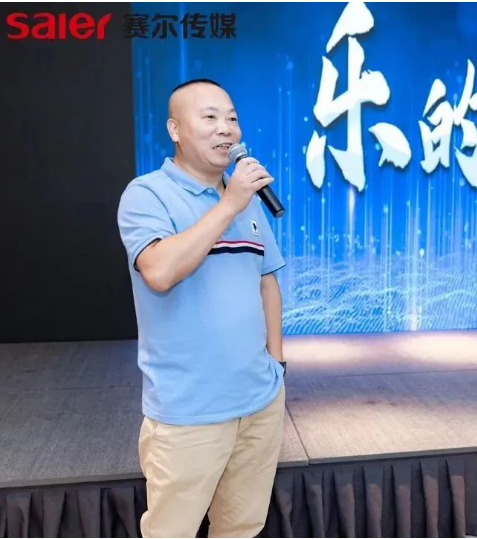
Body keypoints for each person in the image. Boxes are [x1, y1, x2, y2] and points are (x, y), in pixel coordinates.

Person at [117, 78, 286, 538]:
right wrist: (228, 205)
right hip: (188, 411)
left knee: (242, 527)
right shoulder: (147, 194)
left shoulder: (246, 200)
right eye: (209, 117)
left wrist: (277, 365)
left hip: (259, 402)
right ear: (175, 129)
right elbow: (159, 271)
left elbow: (267, 281)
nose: (225, 128)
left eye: (231, 118)